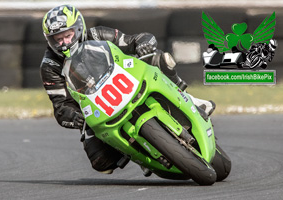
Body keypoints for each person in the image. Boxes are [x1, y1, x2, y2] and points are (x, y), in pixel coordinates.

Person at [40, 5, 215, 175]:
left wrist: (143, 43)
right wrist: (74, 117)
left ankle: (191, 100)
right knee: (101, 162)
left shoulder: (97, 34)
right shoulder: (50, 66)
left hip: (125, 79)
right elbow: (61, 106)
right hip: (96, 108)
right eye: (58, 39)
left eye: (68, 36)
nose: (64, 43)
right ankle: (136, 152)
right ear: (50, 40)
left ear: (78, 29)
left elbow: (134, 40)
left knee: (158, 59)